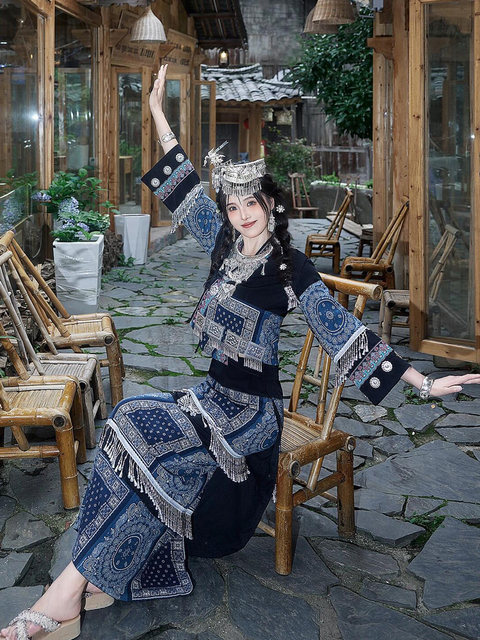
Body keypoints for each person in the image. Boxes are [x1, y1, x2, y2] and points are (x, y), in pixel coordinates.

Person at [3, 64, 480, 640]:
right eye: (232, 206)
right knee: (126, 422)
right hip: (210, 398)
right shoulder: (223, 244)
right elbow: (182, 181)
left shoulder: (291, 268)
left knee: (145, 443)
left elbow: (341, 333)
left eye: (252, 202)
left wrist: (422, 382)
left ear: (272, 203)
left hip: (251, 418)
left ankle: (63, 598)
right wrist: (156, 113)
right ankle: (91, 578)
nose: (243, 214)